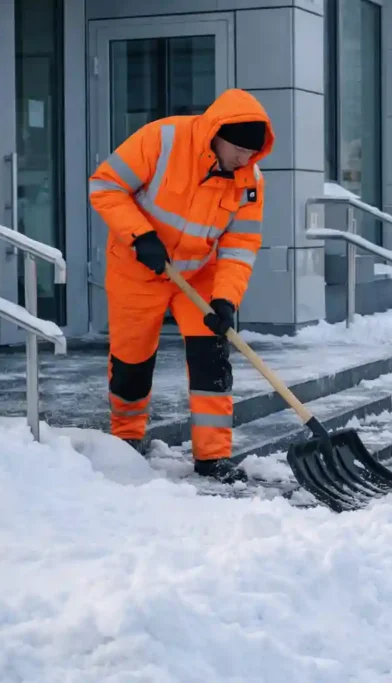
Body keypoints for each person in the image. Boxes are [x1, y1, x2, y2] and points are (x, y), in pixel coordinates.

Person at [88, 88, 275, 484]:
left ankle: (213, 456)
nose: (247, 159)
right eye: (240, 150)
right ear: (217, 134)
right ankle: (126, 440)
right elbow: (105, 186)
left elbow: (240, 245)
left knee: (212, 359)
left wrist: (226, 298)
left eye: (252, 153)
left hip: (200, 273)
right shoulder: (162, 139)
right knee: (131, 361)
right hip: (138, 267)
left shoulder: (250, 180)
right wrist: (140, 236)